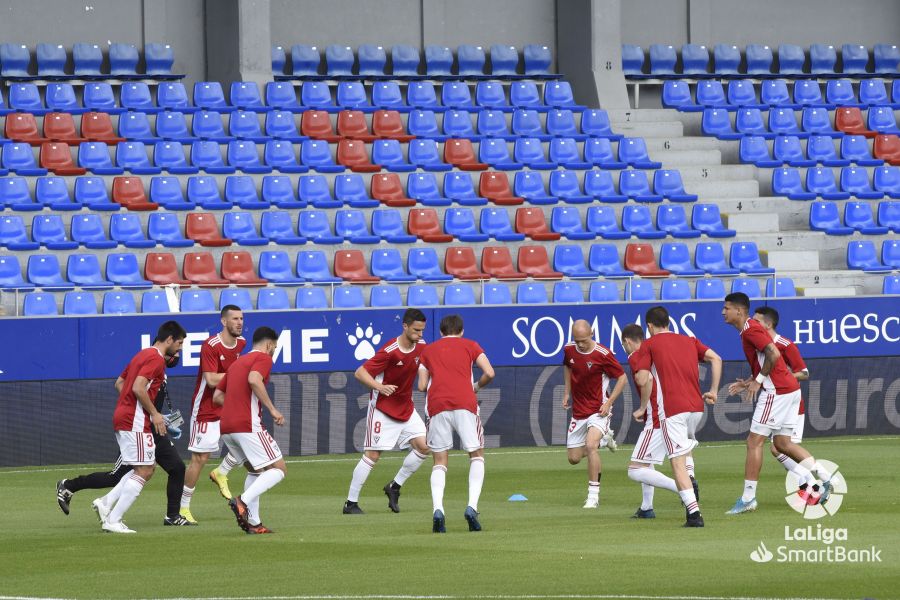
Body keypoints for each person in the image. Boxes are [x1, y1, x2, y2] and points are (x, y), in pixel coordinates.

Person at [723, 294, 832, 515]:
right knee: (782, 444)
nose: (723, 312)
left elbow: (773, 353)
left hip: (777, 391)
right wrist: (749, 382)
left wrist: (758, 381)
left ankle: (748, 498)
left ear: (739, 311)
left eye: (726, 308)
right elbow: (769, 359)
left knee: (754, 442)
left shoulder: (751, 329)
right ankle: (826, 476)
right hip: (789, 389)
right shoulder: (751, 328)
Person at [57, 376, 194, 527]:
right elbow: (123, 386)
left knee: (177, 468)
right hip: (137, 431)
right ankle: (69, 486)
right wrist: (142, 413)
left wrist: (162, 420)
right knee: (116, 477)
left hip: (154, 431)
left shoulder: (161, 370)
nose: (177, 355)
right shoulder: (150, 366)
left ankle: (173, 516)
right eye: (175, 353)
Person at [91, 321, 187, 533]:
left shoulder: (142, 354)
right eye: (179, 343)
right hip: (134, 420)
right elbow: (137, 387)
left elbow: (119, 383)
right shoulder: (156, 359)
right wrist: (154, 414)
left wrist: (130, 404)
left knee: (145, 467)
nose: (180, 348)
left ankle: (106, 503)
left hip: (125, 417)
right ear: (169, 339)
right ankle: (113, 520)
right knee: (144, 469)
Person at [632, 306, 721, 527]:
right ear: (668, 323)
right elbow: (716, 358)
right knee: (683, 450)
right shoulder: (689, 340)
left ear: (650, 326)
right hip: (696, 408)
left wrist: (643, 406)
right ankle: (689, 481)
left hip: (672, 410)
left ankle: (694, 514)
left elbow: (643, 380)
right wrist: (714, 390)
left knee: (676, 462)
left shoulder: (649, 344)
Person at [344, 308, 430, 515]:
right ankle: (350, 503)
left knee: (425, 447)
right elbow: (360, 372)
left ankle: (394, 486)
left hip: (406, 407)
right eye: (416, 330)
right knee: (373, 455)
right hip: (383, 408)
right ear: (405, 326)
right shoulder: (390, 350)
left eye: (422, 331)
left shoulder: (421, 346)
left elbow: (421, 364)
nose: (420, 335)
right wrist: (379, 387)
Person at [418, 314, 494, 533]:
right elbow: (489, 372)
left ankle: (438, 509)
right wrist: (476, 386)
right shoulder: (470, 345)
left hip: (437, 404)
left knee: (439, 460)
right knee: (476, 455)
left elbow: (422, 386)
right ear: (461, 331)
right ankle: (472, 507)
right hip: (465, 403)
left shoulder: (427, 351)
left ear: (441, 332)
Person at [214, 326, 286, 534]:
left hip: (226, 426)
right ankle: (242, 501)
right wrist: (272, 409)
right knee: (279, 469)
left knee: (256, 470)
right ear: (270, 345)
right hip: (247, 424)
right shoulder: (263, 359)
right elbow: (254, 380)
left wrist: (236, 403)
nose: (274, 351)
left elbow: (217, 396)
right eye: (275, 347)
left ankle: (254, 523)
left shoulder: (237, 363)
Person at [179, 305, 247, 524]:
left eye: (241, 318)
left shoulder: (242, 343)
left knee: (245, 443)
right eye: (235, 318)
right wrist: (239, 374)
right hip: (206, 408)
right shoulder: (210, 345)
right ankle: (183, 509)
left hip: (226, 405)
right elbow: (210, 380)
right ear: (223, 321)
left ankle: (221, 472)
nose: (239, 322)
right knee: (200, 459)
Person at [751, 306, 816, 499]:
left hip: (789, 403)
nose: (753, 324)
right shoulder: (759, 346)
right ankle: (811, 484)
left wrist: (785, 376)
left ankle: (814, 485)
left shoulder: (784, 344)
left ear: (768, 324)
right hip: (775, 401)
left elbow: (804, 373)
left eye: (757, 321)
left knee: (777, 446)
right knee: (777, 447)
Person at [561, 319, 626, 509]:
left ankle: (593, 496)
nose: (580, 344)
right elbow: (567, 366)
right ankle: (604, 441)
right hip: (579, 410)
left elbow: (621, 378)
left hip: (599, 409)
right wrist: (567, 392)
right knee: (573, 458)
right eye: (576, 340)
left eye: (583, 340)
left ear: (591, 334)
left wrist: (609, 403)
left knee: (590, 446)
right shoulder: (569, 350)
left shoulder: (603, 354)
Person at [620, 323, 677, 519]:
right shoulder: (653, 352)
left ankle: (683, 488)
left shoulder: (636, 356)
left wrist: (643, 407)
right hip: (670, 412)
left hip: (656, 417)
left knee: (635, 470)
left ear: (627, 341)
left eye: (624, 345)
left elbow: (647, 381)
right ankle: (646, 507)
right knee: (646, 463)